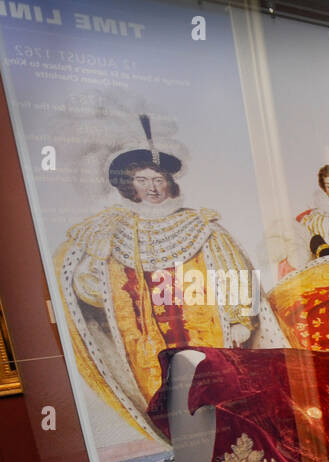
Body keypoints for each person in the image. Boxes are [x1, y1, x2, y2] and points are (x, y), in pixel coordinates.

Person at [56, 119, 278, 439]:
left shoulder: (200, 225)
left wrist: (241, 318)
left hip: (207, 336)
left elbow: (238, 274)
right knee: (171, 413)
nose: (153, 187)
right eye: (142, 179)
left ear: (169, 180)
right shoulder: (115, 230)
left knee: (221, 408)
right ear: (129, 184)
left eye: (158, 178)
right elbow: (93, 291)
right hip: (146, 345)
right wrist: (88, 277)